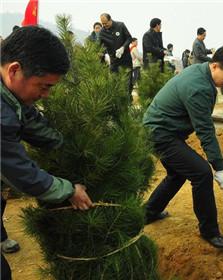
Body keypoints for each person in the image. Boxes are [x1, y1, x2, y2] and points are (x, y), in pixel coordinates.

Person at [1, 26, 93, 280]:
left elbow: (29, 121)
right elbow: (19, 172)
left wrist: (66, 144)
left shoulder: (10, 93)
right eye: (43, 86)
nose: (46, 95)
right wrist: (69, 190)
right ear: (14, 70)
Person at [143, 46, 223, 249]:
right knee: (202, 173)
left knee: (177, 173)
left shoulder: (201, 72)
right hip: (160, 133)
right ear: (215, 66)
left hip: (166, 130)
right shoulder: (199, 87)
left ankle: (149, 212)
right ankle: (210, 231)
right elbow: (205, 130)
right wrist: (219, 166)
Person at [99, 13, 133, 97]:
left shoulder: (120, 25)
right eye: (102, 24)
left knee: (127, 83)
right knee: (114, 83)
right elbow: (100, 46)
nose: (104, 25)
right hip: (114, 61)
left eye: (105, 23)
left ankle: (128, 101)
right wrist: (101, 54)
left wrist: (123, 48)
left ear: (110, 20)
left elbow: (129, 38)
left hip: (126, 59)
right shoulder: (102, 32)